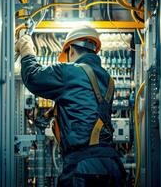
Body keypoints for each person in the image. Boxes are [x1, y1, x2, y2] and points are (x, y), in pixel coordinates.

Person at [15, 26, 126, 187]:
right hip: (112, 166)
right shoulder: (107, 79)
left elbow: (33, 77)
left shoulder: (69, 72)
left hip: (84, 168)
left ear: (71, 50)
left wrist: (26, 47)